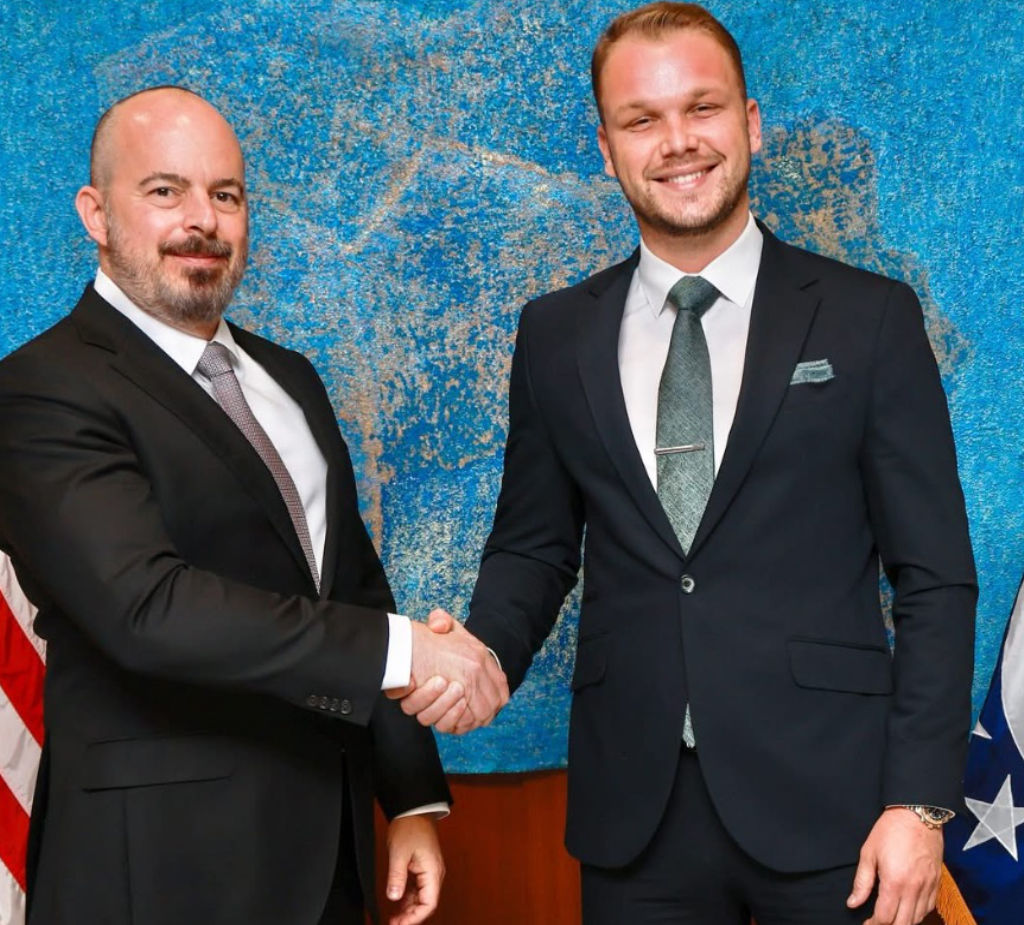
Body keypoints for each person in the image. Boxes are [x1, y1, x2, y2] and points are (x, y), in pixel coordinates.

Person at [402, 4, 977, 924]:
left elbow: (935, 577)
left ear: (749, 122)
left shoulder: (870, 318)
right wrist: (484, 653)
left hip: (839, 809)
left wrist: (918, 802)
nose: (677, 142)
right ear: (607, 149)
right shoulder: (555, 334)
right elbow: (534, 548)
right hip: (635, 818)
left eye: (701, 108)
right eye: (643, 119)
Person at [0, 85, 507, 925]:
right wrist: (408, 650)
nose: (203, 220)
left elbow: (353, 590)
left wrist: (411, 796)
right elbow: (148, 608)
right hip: (156, 871)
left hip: (330, 861)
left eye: (226, 195)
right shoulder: (40, 389)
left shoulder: (291, 378)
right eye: (165, 190)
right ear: (96, 213)